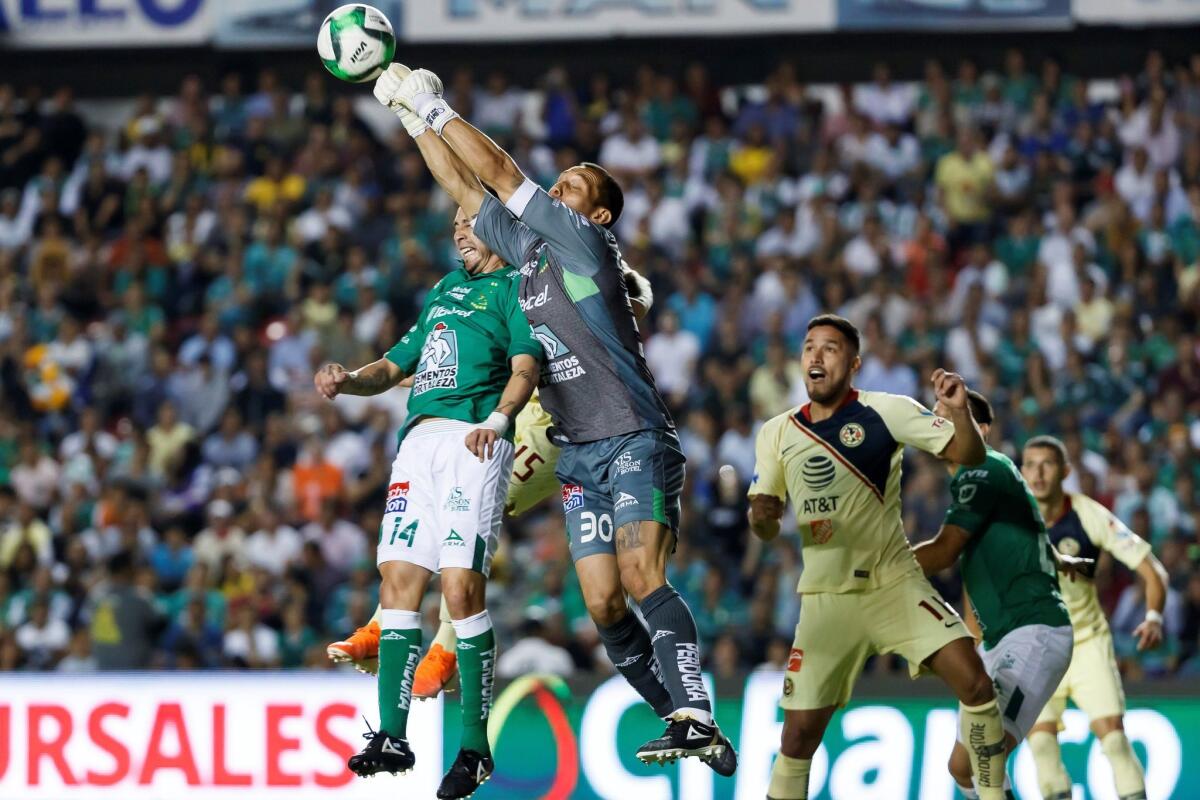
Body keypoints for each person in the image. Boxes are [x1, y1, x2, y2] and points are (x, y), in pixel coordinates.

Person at [370, 63, 735, 772]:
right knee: (602, 606)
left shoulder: (581, 244)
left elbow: (499, 170)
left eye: (571, 185)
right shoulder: (530, 255)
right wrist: (414, 124)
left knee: (639, 576)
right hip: (578, 454)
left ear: (597, 214)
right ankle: (686, 724)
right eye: (559, 181)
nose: (557, 188)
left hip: (631, 434)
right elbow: (465, 191)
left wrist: (435, 105)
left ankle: (696, 708)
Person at [314, 201, 543, 798]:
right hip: (417, 444)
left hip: (474, 442)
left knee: (461, 590)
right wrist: (349, 380)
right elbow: (393, 366)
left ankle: (474, 746)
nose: (459, 233)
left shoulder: (513, 289)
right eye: (454, 226)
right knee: (397, 582)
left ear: (497, 231)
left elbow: (526, 365)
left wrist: (499, 419)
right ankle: (392, 735)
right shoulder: (444, 289)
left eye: (469, 224)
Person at [747, 314, 1007, 800]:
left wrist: (960, 413)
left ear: (854, 363)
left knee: (975, 684)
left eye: (830, 349)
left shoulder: (886, 411)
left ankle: (994, 795)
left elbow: (969, 455)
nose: (817, 357)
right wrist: (761, 516)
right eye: (809, 348)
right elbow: (764, 525)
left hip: (894, 584)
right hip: (827, 599)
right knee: (798, 738)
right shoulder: (776, 433)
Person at [912, 392, 1077, 797]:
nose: (937, 426)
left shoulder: (982, 467)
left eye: (947, 417)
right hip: (1003, 636)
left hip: (1034, 629)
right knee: (962, 768)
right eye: (934, 418)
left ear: (979, 429)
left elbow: (945, 550)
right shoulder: (982, 479)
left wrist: (877, 571)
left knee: (984, 752)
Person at [1021, 435, 1169, 800]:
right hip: (1034, 649)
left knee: (1115, 740)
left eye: (1047, 465)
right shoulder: (1011, 519)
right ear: (1021, 472)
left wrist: (1153, 617)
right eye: (1030, 465)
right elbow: (977, 574)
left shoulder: (1088, 515)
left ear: (1065, 472)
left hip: (1085, 641)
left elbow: (1154, 572)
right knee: (1040, 747)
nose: (1038, 474)